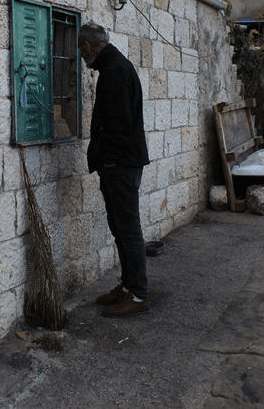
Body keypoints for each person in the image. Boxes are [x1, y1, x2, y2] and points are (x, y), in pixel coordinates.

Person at [78, 23, 150, 317]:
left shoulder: (115, 71)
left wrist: (109, 159)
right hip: (121, 163)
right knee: (120, 228)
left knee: (128, 230)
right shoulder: (115, 67)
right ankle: (128, 285)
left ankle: (138, 295)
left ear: (89, 48)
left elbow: (118, 121)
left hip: (121, 165)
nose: (83, 59)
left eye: (82, 52)